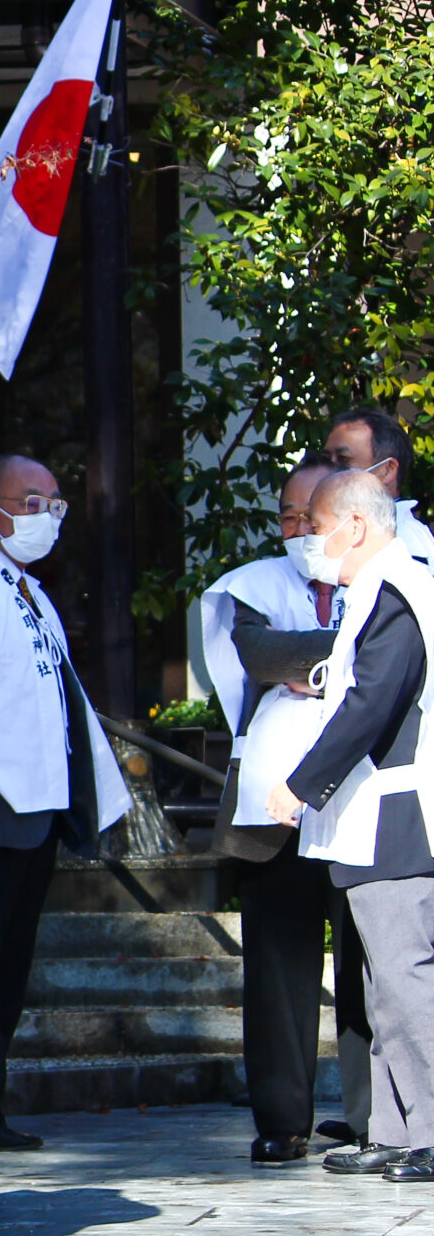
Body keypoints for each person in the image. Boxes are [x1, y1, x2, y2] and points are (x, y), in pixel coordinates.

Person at [0, 455, 128, 1161]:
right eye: (32, 502)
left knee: (6, 973)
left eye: (55, 504)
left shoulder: (25, 587)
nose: (48, 517)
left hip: (35, 808)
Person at [266, 470, 434, 1180]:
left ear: (356, 525)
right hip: (373, 816)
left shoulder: (395, 591)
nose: (311, 540)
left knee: (406, 977)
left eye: (319, 524)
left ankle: (428, 1128)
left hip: (396, 813)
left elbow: (370, 704)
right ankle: (397, 1128)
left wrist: (302, 784)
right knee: (381, 984)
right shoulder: (382, 589)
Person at [198, 457, 367, 1162]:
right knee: (278, 966)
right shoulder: (252, 585)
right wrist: (349, 658)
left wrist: (317, 663)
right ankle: (282, 1119)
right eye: (288, 516)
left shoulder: (384, 581)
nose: (300, 529)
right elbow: (263, 652)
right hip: (275, 808)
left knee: (365, 963)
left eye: (312, 516)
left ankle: (371, 1116)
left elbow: (404, 659)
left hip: (360, 800)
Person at [323, 407, 434, 563]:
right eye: (326, 459)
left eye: (343, 460)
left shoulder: (403, 541)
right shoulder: (346, 531)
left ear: (387, 470)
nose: (328, 470)